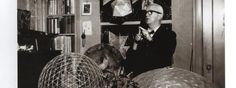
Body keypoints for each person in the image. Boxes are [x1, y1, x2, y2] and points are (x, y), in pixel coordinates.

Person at [124, 3, 177, 77]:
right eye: (146, 12)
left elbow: (164, 58)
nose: (146, 15)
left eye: (150, 12)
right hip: (139, 78)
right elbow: (129, 62)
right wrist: (135, 43)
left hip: (158, 79)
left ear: (160, 16)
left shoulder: (169, 35)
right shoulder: (140, 33)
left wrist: (150, 39)